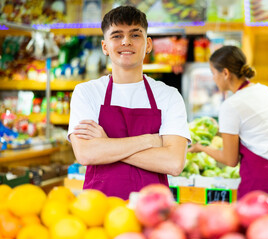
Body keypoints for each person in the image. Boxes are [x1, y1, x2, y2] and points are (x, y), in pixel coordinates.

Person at [67, 5, 190, 200]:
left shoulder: (168, 95)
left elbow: (174, 163)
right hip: (97, 211)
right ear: (105, 46)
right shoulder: (87, 92)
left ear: (148, 44)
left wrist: (106, 145)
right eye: (116, 35)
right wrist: (148, 141)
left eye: (135, 35)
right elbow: (86, 154)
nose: (126, 41)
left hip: (152, 211)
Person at [188, 45, 268, 219]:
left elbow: (230, 160)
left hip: (267, 190)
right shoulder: (265, 91)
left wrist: (201, 147)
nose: (213, 79)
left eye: (213, 73)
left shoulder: (231, 106)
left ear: (225, 73)